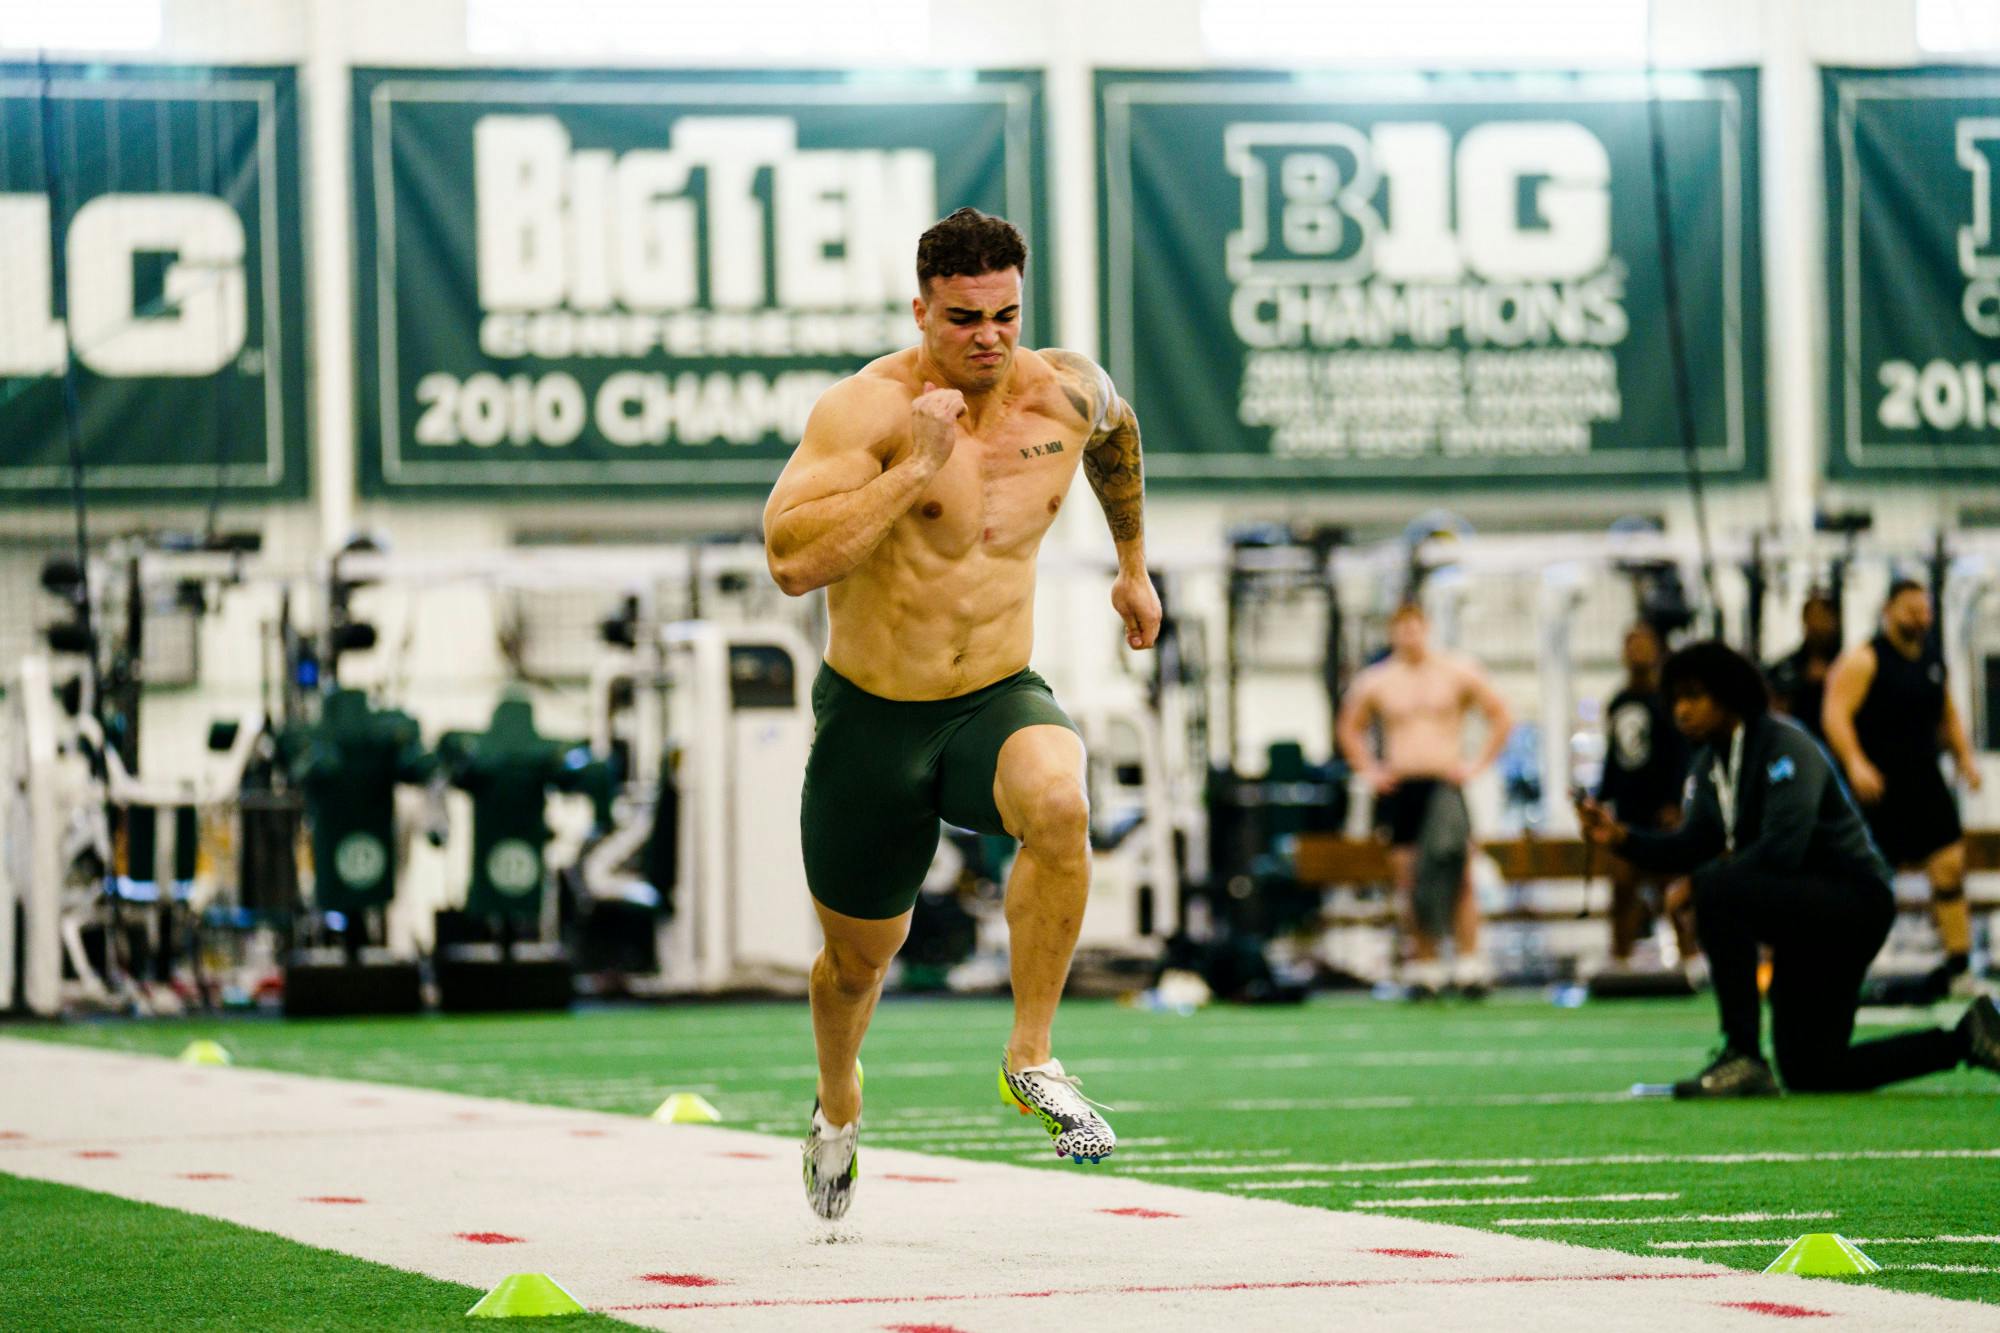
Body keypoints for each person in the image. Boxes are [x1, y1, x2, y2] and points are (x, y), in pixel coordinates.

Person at [762, 207, 1162, 1219]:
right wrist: (912, 467)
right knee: (855, 964)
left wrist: (1131, 567)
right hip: (873, 719)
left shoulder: (1063, 389)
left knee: (1059, 800)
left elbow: (1117, 433)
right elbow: (791, 561)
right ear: (921, 312)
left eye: (1003, 315)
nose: (987, 336)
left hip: (992, 694)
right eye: (962, 318)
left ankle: (1028, 1053)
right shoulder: (867, 411)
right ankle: (839, 1100)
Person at [1577, 640, 2000, 1097]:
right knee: (1813, 1070)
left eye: (1694, 696)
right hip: (1806, 921)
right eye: (1676, 699)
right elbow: (1691, 845)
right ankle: (1965, 1038)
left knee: (1717, 889)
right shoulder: (1708, 766)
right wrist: (1622, 840)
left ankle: (1741, 1053)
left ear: (1729, 695)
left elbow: (1784, 849)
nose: (1682, 710)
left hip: (1854, 901)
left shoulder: (1785, 744)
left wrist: (1702, 885)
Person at [1336, 602, 1513, 998]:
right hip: (1403, 788)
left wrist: (1476, 765)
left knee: (1459, 872)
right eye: (1402, 629)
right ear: (1393, 632)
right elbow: (1349, 726)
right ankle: (1426, 963)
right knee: (1410, 878)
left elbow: (1500, 715)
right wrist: (1370, 770)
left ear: (1426, 628)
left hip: (1444, 786)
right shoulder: (1378, 680)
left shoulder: (1456, 671)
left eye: (1416, 628)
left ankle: (1469, 963)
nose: (1410, 636)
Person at [1823, 579, 1984, 999]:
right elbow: (1835, 715)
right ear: (1888, 611)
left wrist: (1965, 758)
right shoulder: (1865, 659)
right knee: (1872, 883)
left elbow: (1946, 713)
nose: (1919, 617)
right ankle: (1848, 968)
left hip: (1926, 780)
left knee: (1949, 868)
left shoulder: (1932, 658)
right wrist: (1856, 763)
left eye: (1924, 610)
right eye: (1910, 609)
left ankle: (1959, 968)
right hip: (1880, 786)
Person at [1596, 623, 1698, 970]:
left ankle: (1690, 956)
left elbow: (1682, 752)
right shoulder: (1619, 701)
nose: (1637, 652)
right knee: (1622, 887)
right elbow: (1615, 757)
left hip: (1662, 810)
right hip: (1628, 808)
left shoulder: (1668, 699)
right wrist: (1602, 798)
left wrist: (1675, 801)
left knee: (1671, 886)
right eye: (1630, 645)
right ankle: (1620, 957)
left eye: (1643, 645)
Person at [1766, 589, 1841, 744]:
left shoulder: (1846, 666)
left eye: (1825, 617)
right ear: (1804, 620)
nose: (1819, 624)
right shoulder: (1784, 668)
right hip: (1796, 744)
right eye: (1814, 617)